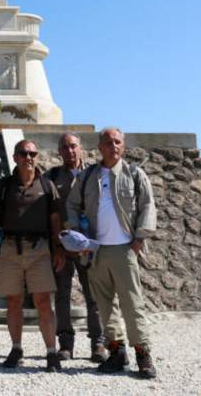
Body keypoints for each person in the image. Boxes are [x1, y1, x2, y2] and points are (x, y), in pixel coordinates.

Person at [65, 127, 158, 379]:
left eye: (117, 142)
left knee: (132, 304)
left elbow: (148, 206)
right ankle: (116, 352)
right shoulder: (87, 177)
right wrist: (76, 234)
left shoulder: (135, 174)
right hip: (96, 251)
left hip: (125, 250)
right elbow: (72, 204)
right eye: (108, 142)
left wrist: (139, 239)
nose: (113, 146)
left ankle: (143, 355)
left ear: (123, 146)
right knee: (104, 305)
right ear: (100, 147)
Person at [0, 139, 66, 372]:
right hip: (9, 248)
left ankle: (51, 352)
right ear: (15, 157)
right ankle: (16, 349)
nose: (29, 157)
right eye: (24, 153)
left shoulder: (47, 186)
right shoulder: (4, 185)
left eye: (33, 153)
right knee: (14, 301)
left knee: (43, 302)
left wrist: (58, 248)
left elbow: (56, 220)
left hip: (40, 249)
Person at [44, 132, 109, 363]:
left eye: (73, 146)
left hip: (89, 247)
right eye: (65, 147)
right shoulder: (51, 177)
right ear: (59, 151)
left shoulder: (96, 174)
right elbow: (49, 215)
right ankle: (65, 344)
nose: (69, 151)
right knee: (62, 296)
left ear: (81, 148)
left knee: (94, 297)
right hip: (63, 248)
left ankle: (98, 344)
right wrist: (57, 247)